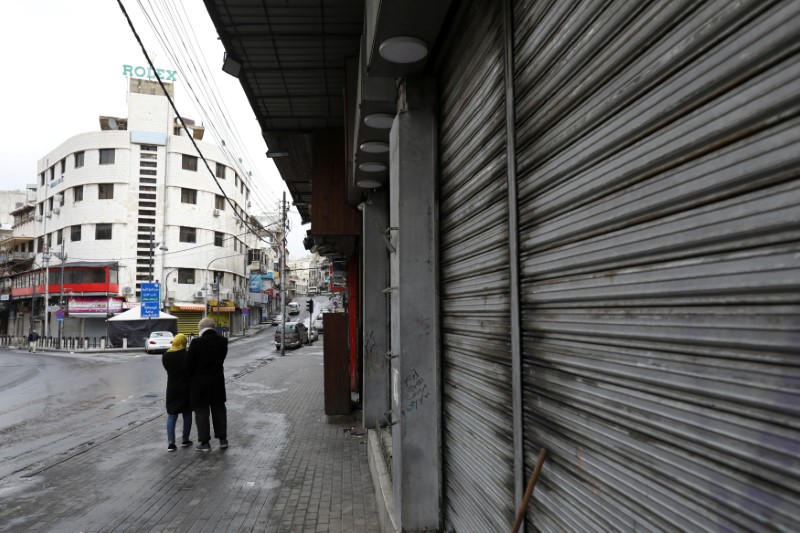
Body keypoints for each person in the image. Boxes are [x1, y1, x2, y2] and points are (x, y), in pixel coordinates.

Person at [185, 317, 228, 452]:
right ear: (213, 327)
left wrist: (194, 377)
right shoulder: (223, 341)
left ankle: (204, 443)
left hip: (199, 385)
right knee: (219, 411)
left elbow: (187, 365)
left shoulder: (196, 342)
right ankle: (222, 440)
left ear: (201, 329)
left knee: (201, 413)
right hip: (217, 382)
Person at [162, 333, 193, 452]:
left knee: (172, 415)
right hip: (186, 388)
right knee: (187, 414)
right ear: (183, 342)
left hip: (172, 388)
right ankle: (185, 440)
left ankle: (171, 443)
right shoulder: (187, 355)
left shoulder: (165, 356)